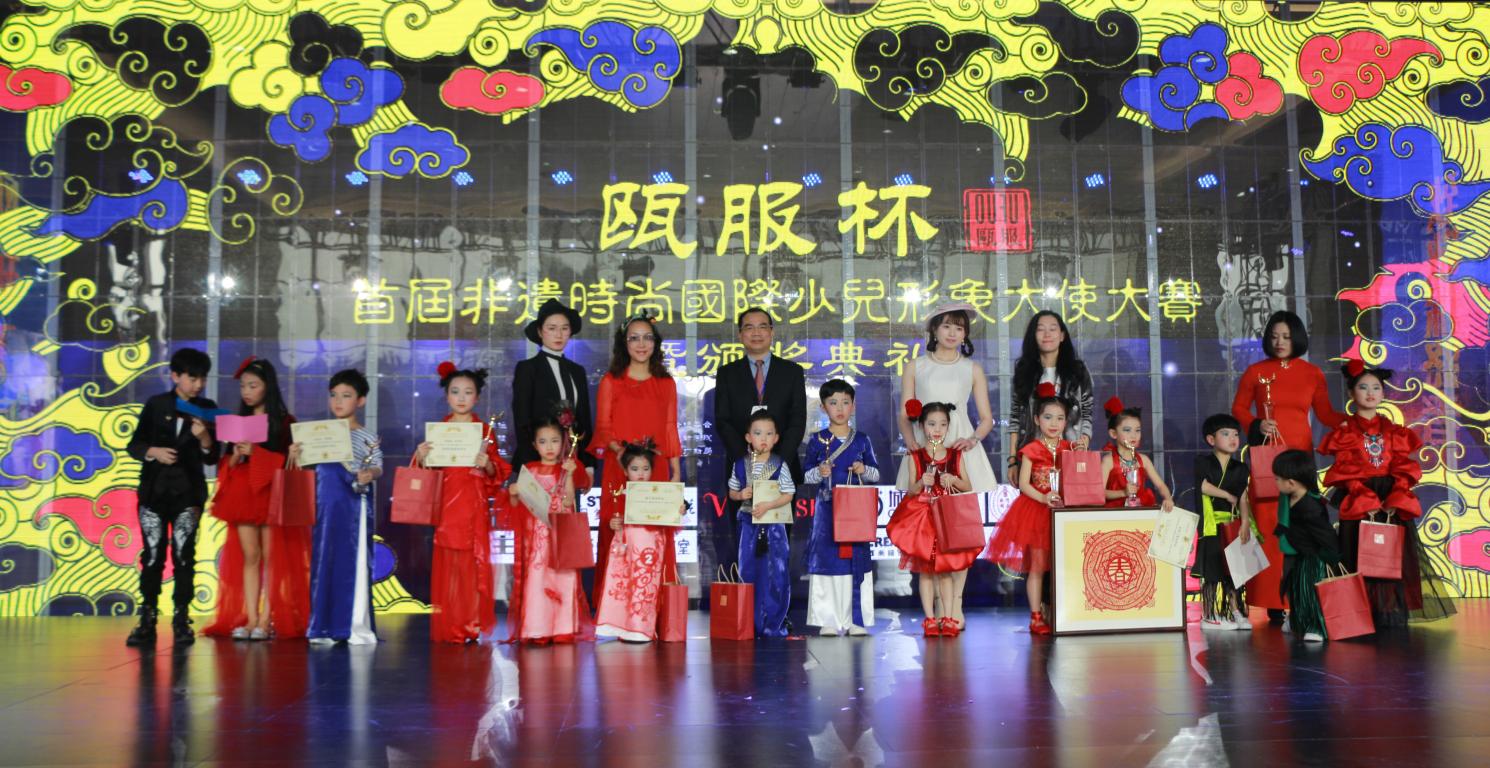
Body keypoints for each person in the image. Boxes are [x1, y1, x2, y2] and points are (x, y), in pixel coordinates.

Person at [1318, 359, 1456, 625]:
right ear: (1351, 393)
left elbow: (1403, 466)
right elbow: (1346, 468)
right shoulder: (1345, 431)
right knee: (1358, 553)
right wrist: (1362, 496)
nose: (1370, 393)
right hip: (1359, 497)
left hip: (1391, 497)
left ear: (1383, 393)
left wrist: (1397, 496)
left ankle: (1391, 611)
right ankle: (1362, 613)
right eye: (1363, 387)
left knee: (1392, 555)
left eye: (1376, 387)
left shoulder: (1395, 431)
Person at [1230, 310, 1346, 622]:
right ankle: (1273, 601)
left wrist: (1355, 420)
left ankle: (1303, 596)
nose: (1280, 342)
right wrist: (1256, 423)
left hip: (1302, 460)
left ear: (1297, 338)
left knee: (1304, 526)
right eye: (1274, 336)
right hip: (1268, 460)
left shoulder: (1312, 373)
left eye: (1286, 336)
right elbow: (1238, 408)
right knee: (1270, 528)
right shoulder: (1256, 372)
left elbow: (1325, 414)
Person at [205, 357, 309, 640]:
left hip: (272, 493)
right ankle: (251, 619)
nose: (247, 392)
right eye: (243, 386)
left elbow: (291, 463)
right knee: (250, 556)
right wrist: (237, 455)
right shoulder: (237, 422)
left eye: (253, 385)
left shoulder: (285, 422)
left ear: (267, 387)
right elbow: (227, 463)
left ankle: (266, 619)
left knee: (273, 558)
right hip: (243, 493)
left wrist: (257, 453)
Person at [124, 348, 219, 646]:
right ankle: (147, 618)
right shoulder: (157, 404)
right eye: (193, 378)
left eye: (203, 378)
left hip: (188, 494)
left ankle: (181, 618)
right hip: (154, 493)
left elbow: (213, 456)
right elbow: (135, 445)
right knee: (152, 555)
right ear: (175, 376)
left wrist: (204, 437)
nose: (199, 384)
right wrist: (154, 452)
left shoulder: (208, 409)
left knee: (184, 555)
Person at [418, 362, 510, 644]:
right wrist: (422, 457)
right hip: (447, 506)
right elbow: (429, 474)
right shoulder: (439, 430)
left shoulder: (484, 431)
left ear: (477, 397)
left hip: (473, 506)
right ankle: (452, 624)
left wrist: (488, 464)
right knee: (450, 567)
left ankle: (470, 624)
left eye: (468, 392)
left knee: (472, 565)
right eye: (455, 391)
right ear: (447, 396)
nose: (461, 397)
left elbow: (496, 473)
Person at [589, 312, 681, 589]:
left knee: (655, 531)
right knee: (619, 533)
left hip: (656, 469)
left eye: (647, 338)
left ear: (655, 342)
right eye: (634, 338)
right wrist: (623, 454)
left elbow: (670, 428)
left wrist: (675, 471)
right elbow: (603, 428)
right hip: (620, 469)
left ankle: (655, 602)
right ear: (624, 343)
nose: (641, 344)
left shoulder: (666, 383)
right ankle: (616, 601)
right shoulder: (611, 381)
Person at [712, 308, 806, 569]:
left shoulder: (792, 372)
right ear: (740, 334)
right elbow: (723, 421)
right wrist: (746, 461)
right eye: (749, 327)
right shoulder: (727, 373)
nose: (756, 332)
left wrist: (776, 462)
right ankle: (748, 592)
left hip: (782, 470)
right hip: (742, 472)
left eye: (762, 326)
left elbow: (797, 420)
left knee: (779, 541)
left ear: (772, 332)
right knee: (745, 540)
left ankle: (777, 594)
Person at [295, 369, 382, 645]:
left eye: (346, 396)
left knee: (354, 563)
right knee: (323, 562)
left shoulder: (367, 436)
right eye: (334, 395)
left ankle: (353, 626)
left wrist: (370, 474)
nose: (338, 401)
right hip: (324, 508)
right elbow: (307, 469)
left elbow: (377, 466)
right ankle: (322, 627)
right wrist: (296, 455)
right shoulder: (318, 434)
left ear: (361, 401)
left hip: (354, 506)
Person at [986, 383, 1070, 636]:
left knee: (1063, 567)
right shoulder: (1031, 449)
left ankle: (1063, 614)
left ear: (1066, 421)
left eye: (1060, 418)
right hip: (1036, 513)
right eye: (1048, 417)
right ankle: (1035, 616)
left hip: (1064, 515)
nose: (1054, 423)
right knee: (1037, 567)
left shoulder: (1069, 449)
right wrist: (1044, 498)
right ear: (1036, 419)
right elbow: (1024, 484)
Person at [886, 401, 976, 637]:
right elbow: (911, 490)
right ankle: (929, 619)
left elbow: (967, 485)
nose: (937, 429)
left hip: (947, 520)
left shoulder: (955, 455)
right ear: (922, 426)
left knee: (945, 571)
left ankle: (948, 617)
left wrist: (952, 480)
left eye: (942, 424)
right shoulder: (916, 456)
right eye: (932, 424)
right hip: (924, 520)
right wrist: (921, 482)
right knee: (926, 572)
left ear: (948, 427)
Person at [507, 417, 595, 644]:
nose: (549, 447)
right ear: (535, 445)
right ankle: (537, 628)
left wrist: (570, 475)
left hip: (561, 533)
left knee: (563, 577)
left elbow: (568, 501)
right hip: (537, 536)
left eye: (554, 441)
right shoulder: (530, 470)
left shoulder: (566, 468)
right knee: (537, 579)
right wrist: (513, 492)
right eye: (543, 441)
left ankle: (563, 628)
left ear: (563, 443)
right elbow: (517, 505)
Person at [803, 379, 881, 636]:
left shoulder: (862, 440)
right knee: (827, 561)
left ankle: (856, 621)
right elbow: (805, 477)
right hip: (827, 512)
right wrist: (820, 471)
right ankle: (827, 620)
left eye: (845, 402)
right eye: (833, 403)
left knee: (855, 563)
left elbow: (876, 475)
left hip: (854, 512)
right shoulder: (816, 441)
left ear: (853, 406)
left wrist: (863, 469)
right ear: (823, 407)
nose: (839, 408)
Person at [595, 441, 681, 642]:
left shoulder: (660, 494)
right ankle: (616, 626)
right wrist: (614, 522)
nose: (640, 474)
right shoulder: (620, 493)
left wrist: (677, 510)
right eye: (634, 469)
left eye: (645, 468)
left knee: (645, 584)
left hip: (650, 546)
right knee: (622, 584)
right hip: (626, 545)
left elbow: (670, 518)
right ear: (625, 471)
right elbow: (611, 517)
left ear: (652, 470)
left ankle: (641, 627)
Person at [728, 410, 795, 638]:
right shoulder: (740, 464)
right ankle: (750, 622)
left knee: (775, 572)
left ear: (776, 438)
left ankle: (773, 623)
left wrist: (769, 505)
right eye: (758, 433)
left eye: (768, 433)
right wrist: (740, 495)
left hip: (773, 526)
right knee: (748, 571)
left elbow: (789, 494)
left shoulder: (779, 464)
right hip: (748, 524)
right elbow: (732, 492)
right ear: (749, 437)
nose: (763, 438)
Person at [1008, 311, 1094, 477]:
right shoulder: (1024, 372)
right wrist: (1012, 460)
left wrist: (1082, 446)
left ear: (1062, 336)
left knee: (1070, 492)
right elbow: (1016, 418)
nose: (1047, 334)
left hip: (1070, 454)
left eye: (1053, 329)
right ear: (1033, 336)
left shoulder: (1078, 371)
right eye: (1041, 329)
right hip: (1033, 458)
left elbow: (1087, 412)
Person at [511, 298, 592, 471]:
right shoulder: (527, 368)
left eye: (564, 328)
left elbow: (584, 419)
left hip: (571, 463)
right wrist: (532, 466)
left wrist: (587, 465)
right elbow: (522, 420)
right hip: (537, 462)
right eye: (552, 328)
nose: (559, 334)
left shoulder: (577, 371)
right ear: (540, 332)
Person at [1192, 414, 1254, 631]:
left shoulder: (1241, 468)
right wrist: (1227, 495)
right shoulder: (1203, 462)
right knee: (1212, 571)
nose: (1232, 439)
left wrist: (1245, 522)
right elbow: (1202, 486)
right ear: (1211, 439)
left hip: (1231, 524)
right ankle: (1209, 615)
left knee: (1234, 572)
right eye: (1225, 434)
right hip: (1211, 525)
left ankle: (1236, 611)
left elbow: (1244, 498)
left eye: (1236, 434)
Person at [1271, 449, 1341, 643]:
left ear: (1291, 483)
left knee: (1310, 593)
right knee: (1296, 590)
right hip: (1298, 554)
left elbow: (1326, 534)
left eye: (1278, 479)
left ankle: (1316, 626)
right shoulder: (1289, 498)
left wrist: (1331, 558)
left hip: (1314, 558)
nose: (1275, 483)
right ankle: (1296, 620)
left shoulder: (1310, 506)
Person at [1099, 397, 1174, 511]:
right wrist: (1123, 493)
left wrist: (1168, 498)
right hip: (1115, 512)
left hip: (1140, 510)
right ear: (1113, 433)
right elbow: (1099, 492)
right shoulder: (1108, 461)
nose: (1133, 435)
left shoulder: (1143, 460)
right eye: (1127, 430)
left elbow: (1160, 485)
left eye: (1137, 430)